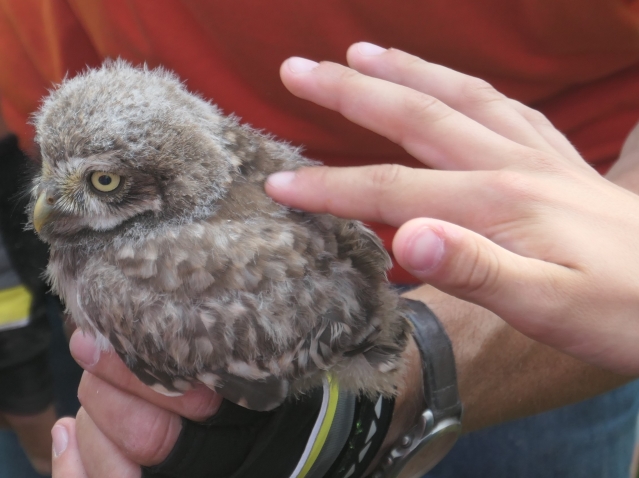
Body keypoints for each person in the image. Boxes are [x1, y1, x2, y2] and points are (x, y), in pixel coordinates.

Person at [1, 1, 639, 476]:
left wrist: (401, 377)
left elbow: (367, 356)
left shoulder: (139, 276)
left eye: (104, 183)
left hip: (541, 243)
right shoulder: (109, 216)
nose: (46, 205)